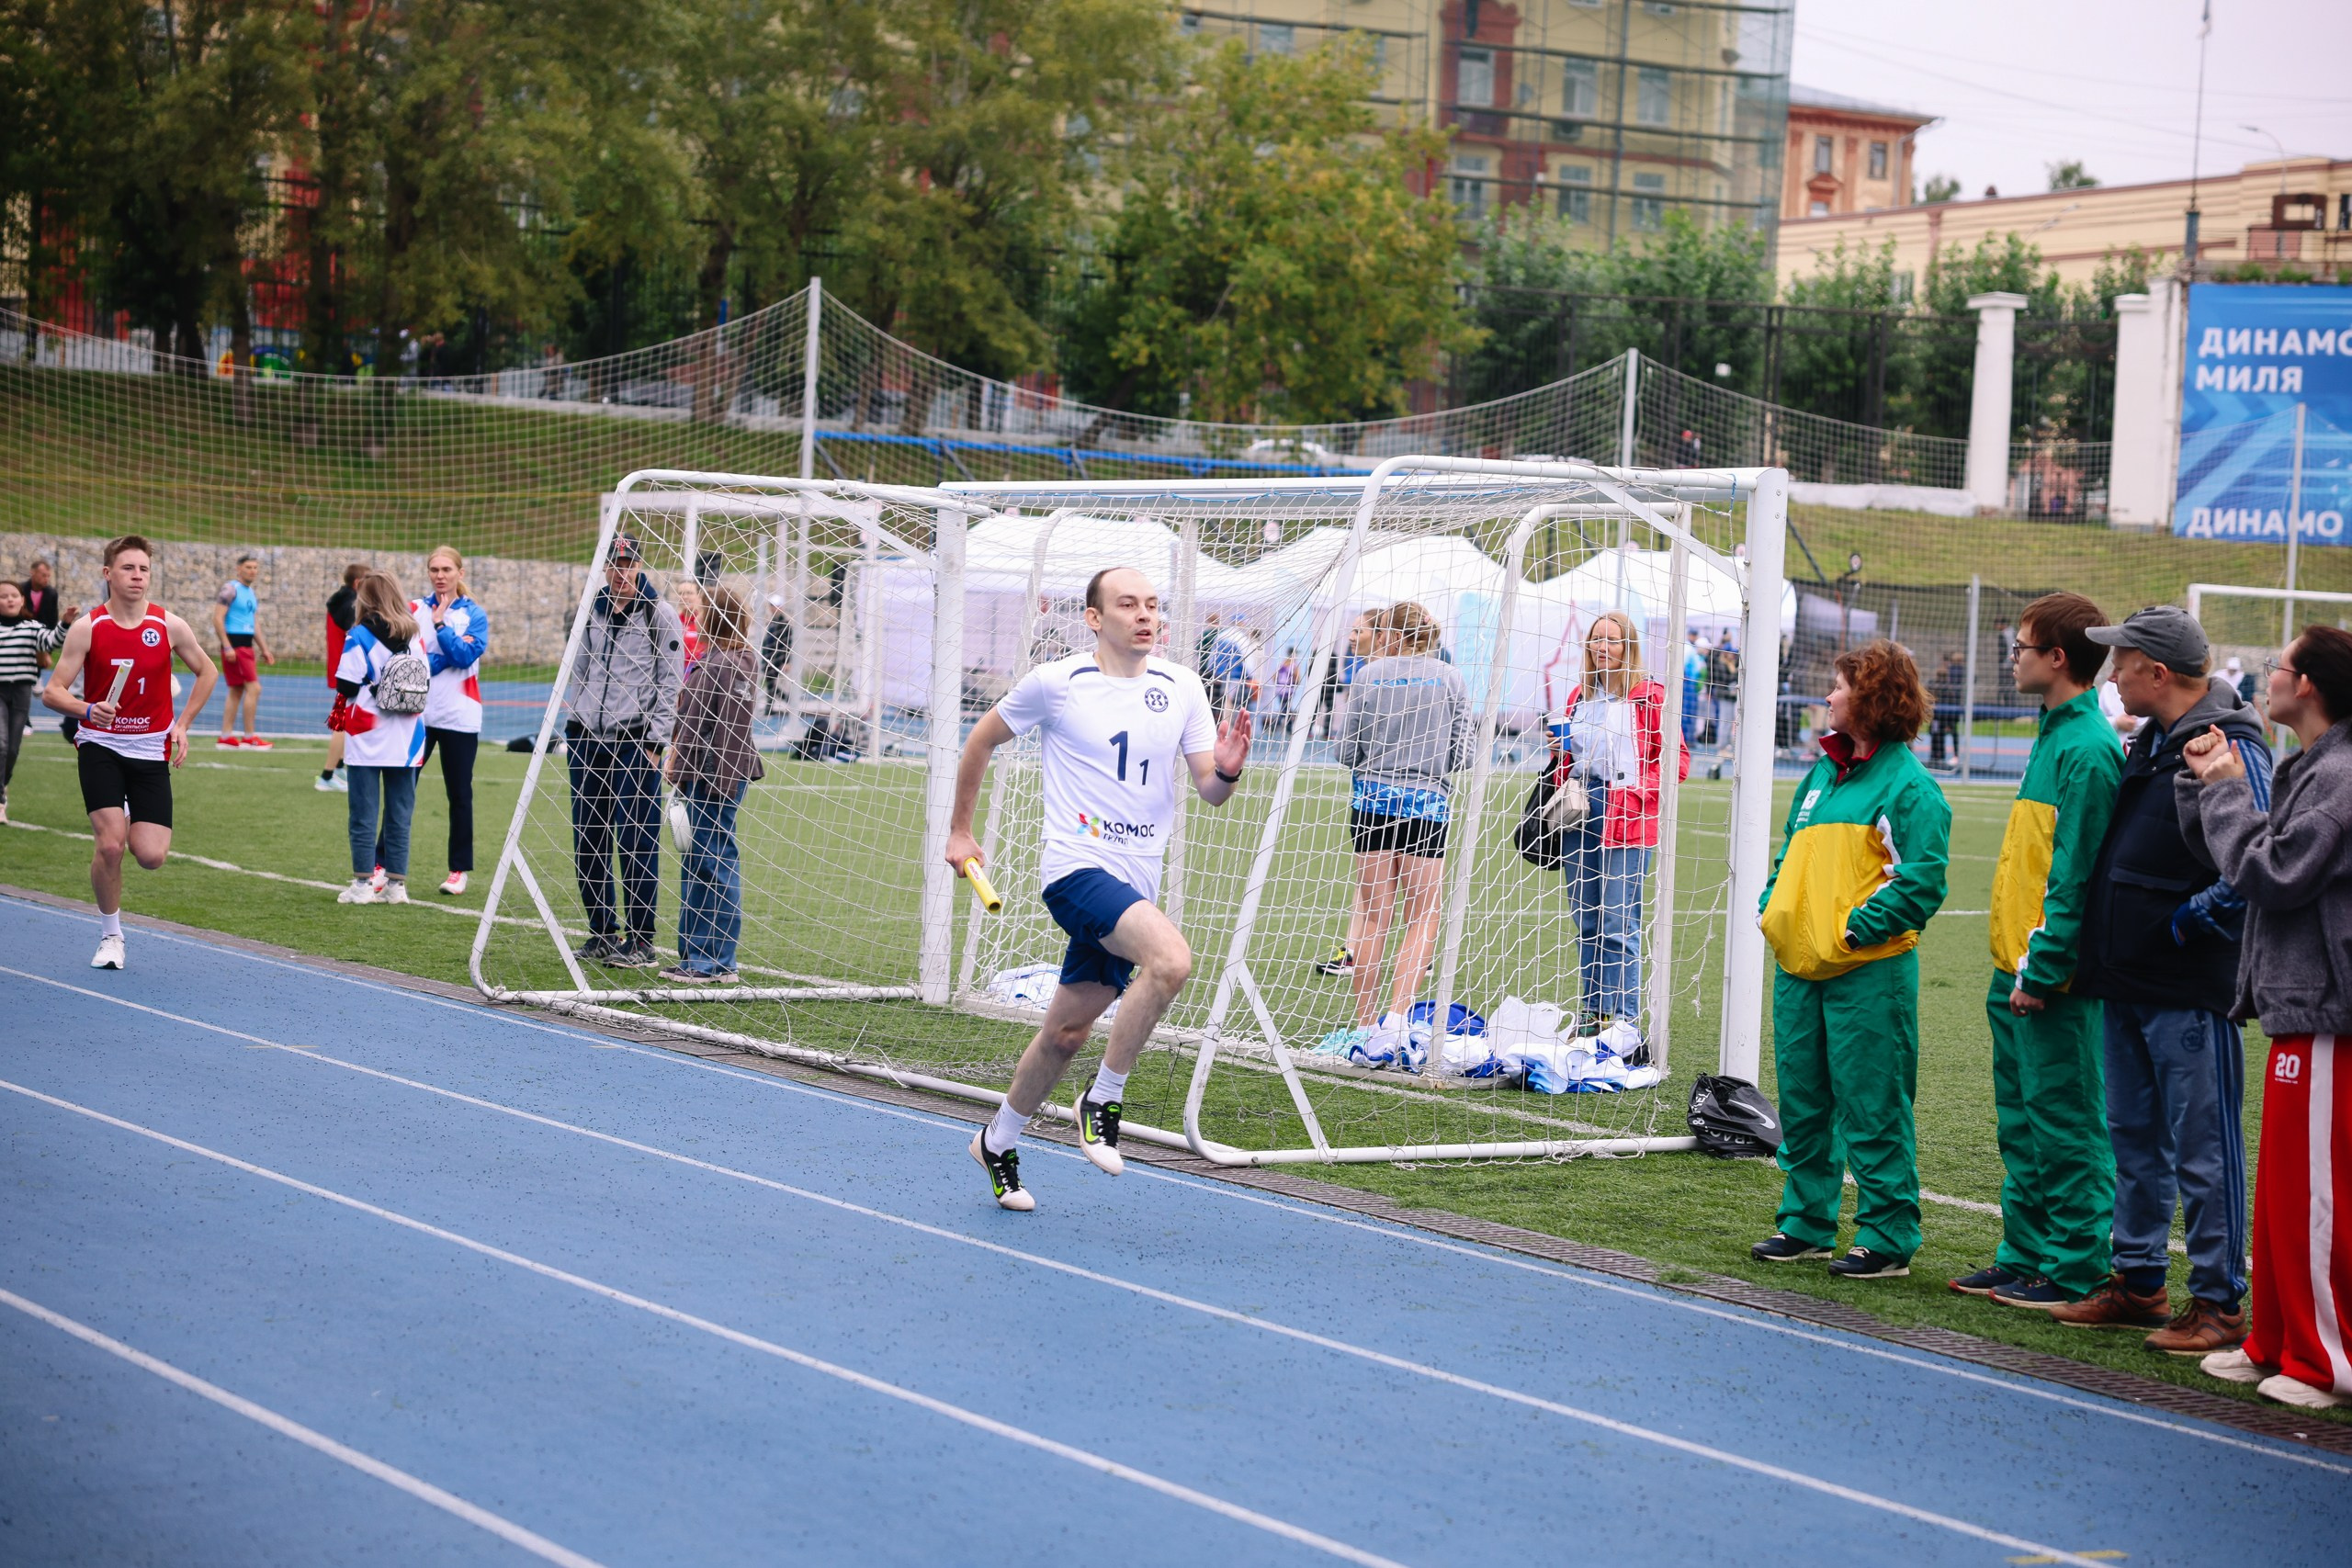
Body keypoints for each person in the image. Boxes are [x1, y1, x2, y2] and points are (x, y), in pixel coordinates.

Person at [944, 565, 1251, 1210]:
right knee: (1170, 961)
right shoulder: (1058, 682)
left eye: (1152, 604)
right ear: (1094, 618)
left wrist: (1226, 770)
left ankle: (996, 1140)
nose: (1145, 614)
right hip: (1075, 869)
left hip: (1137, 876)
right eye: (1128, 604)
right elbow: (981, 739)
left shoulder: (1184, 686)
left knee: (1067, 1033)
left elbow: (1209, 790)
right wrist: (960, 831)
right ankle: (1103, 1098)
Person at [2058, 605, 2269, 1352]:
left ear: (2159, 671)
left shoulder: (2230, 743)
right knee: (2135, 1140)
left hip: (2185, 985)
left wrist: (2184, 924)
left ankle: (2219, 1304)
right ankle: (2140, 1283)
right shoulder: (2156, 738)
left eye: (2123, 660)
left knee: (2203, 1149)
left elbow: (2255, 865)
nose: (2111, 673)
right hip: (2130, 978)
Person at [2178, 625, 2352, 1411]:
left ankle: (2325, 1361)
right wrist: (2206, 781)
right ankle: (2277, 1340)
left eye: (2278, 666)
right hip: (2296, 1006)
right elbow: (2243, 854)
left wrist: (2222, 785)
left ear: (2309, 684)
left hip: (2327, 1011)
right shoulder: (2311, 766)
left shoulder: (2342, 776)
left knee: (2318, 1197)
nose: (2265, 677)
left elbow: (2274, 871)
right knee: (2284, 1192)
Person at [1750, 639, 1950, 1279]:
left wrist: (1855, 933)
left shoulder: (1909, 785)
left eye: (1837, 686)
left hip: (1869, 972)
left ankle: (1888, 1237)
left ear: (1868, 697)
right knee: (1805, 1105)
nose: (1827, 696)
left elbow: (1921, 880)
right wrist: (1773, 907)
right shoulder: (1820, 774)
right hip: (1800, 969)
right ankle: (1807, 1224)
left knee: (1873, 1105)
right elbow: (1789, 857)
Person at [1949, 594, 2124, 1310]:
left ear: (2057, 657)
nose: (2012, 657)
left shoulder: (2087, 747)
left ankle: (2077, 1265)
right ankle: (2024, 1251)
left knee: (2066, 1121)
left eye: (2021, 646)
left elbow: (2075, 875)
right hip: (2012, 968)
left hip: (2050, 978)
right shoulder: (2052, 736)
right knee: (2021, 1120)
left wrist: (2043, 969)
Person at [38, 536, 220, 970]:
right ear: (108, 574)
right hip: (101, 745)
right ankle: (111, 935)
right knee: (111, 846)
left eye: (143, 569)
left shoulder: (169, 625)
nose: (137, 576)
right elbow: (52, 692)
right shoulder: (89, 627)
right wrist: (87, 710)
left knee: (151, 855)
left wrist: (183, 725)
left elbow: (207, 671)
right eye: (128, 568)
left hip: (150, 748)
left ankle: (125, 812)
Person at [1332, 603, 1475, 1058]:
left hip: (1371, 803)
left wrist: (1380, 765)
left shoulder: (1369, 675)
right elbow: (1465, 752)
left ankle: (1363, 1027)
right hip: (1427, 805)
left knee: (1374, 918)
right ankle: (1396, 1020)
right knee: (1422, 916)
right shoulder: (1450, 677)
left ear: (1389, 634)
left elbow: (1344, 748)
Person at [1551, 610, 1689, 1049]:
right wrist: (1560, 755)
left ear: (1629, 647)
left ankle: (1626, 1023)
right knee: (1586, 920)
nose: (1601, 647)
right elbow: (1569, 765)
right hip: (1581, 814)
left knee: (1618, 922)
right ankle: (1592, 1014)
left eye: (1611, 640)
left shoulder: (1649, 697)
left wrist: (1633, 794)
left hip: (1627, 817)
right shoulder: (1578, 696)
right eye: (1596, 640)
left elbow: (1677, 763)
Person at [563, 534, 684, 967]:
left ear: (639, 564)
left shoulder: (660, 614)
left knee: (635, 841)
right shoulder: (589, 611)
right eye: (614, 564)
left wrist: (657, 742)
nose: (620, 571)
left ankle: (641, 939)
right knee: (588, 838)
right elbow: (575, 669)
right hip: (587, 740)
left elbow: (671, 683)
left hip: (635, 742)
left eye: (628, 563)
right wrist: (574, 720)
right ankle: (601, 930)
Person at [663, 585, 763, 984]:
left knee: (713, 864)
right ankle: (695, 956)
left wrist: (674, 767)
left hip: (710, 775)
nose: (697, 614)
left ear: (715, 616)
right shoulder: (736, 660)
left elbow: (702, 729)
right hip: (716, 772)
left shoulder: (722, 664)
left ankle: (715, 961)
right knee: (700, 862)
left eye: (703, 609)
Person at [332, 571, 427, 905]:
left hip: (367, 732)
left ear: (366, 599)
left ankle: (361, 884)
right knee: (400, 813)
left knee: (363, 812)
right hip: (409, 734)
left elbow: (345, 684)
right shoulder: (415, 633)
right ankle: (396, 885)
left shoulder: (358, 634)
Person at [400, 545, 488, 896]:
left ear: (460, 574)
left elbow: (466, 654)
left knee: (459, 795)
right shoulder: (414, 609)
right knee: (401, 788)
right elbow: (408, 658)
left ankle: (458, 871)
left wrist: (439, 628)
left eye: (447, 569)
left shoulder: (474, 614)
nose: (440, 575)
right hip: (416, 715)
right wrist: (441, 657)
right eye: (434, 569)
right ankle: (381, 865)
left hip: (459, 716)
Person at [1313, 611, 1385, 976]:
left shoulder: (1382, 677)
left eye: (1360, 630)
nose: (1352, 636)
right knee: (1371, 882)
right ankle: (1356, 950)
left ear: (1381, 633)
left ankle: (1364, 952)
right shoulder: (1364, 673)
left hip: (1390, 796)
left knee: (1402, 884)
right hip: (1372, 792)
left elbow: (1349, 748)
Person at [0, 582, 78, 824]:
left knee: (13, 748)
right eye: (3, 597)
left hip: (22, 691)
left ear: (22, 600)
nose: (10, 600)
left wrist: (65, 623)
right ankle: (0, 800)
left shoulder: (31, 627)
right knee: (1, 745)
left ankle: (3, 785)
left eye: (14, 596)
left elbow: (51, 642)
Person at [211, 553, 275, 749]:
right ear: (239, 569)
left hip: (246, 646)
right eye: (248, 567)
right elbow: (217, 618)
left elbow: (254, 623)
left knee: (237, 690)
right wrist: (227, 645)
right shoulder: (231, 589)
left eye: (255, 567)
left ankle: (225, 737)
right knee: (254, 688)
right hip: (236, 646)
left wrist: (264, 649)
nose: (252, 571)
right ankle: (249, 736)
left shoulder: (250, 593)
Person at [318, 563, 363, 792]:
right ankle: (326, 775)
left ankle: (339, 767)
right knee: (342, 724)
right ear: (357, 583)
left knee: (347, 720)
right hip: (348, 672)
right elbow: (356, 635)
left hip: (343, 669)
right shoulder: (350, 605)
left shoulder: (340, 601)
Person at [1928, 649, 1965, 769]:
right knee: (1939, 733)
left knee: (1939, 733)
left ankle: (1937, 756)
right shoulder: (1940, 685)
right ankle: (1941, 755)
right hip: (1944, 714)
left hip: (1943, 714)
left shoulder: (1949, 682)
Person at [759, 594, 795, 710]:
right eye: (771, 606)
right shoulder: (772, 622)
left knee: (770, 683)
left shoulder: (785, 624)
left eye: (776, 606)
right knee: (770, 684)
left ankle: (778, 704)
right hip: (768, 658)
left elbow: (788, 644)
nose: (773, 608)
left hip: (778, 658)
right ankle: (775, 705)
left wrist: (787, 661)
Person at [673, 579, 708, 674]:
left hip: (699, 673)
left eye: (689, 593)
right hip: (677, 673)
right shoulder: (674, 622)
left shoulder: (705, 623)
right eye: (681, 593)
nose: (684, 597)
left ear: (699, 595)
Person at [20, 558, 62, 628]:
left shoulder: (52, 594)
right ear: (33, 572)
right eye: (44, 575)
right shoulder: (20, 590)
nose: (46, 579)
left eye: (48, 576)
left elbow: (53, 619)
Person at [1273, 649, 1299, 733]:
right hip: (1288, 690)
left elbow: (1274, 677)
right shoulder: (1293, 666)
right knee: (1286, 709)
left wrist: (1278, 684)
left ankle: (1284, 726)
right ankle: (1277, 724)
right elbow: (1297, 677)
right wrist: (1295, 684)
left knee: (1285, 708)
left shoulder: (1282, 664)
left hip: (1280, 690)